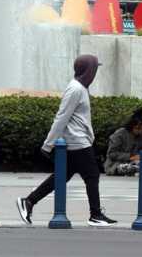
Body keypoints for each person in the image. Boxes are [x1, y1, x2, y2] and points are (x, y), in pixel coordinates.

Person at [17, 54, 117, 227]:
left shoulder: (81, 88)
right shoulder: (76, 89)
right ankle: (95, 215)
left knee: (61, 177)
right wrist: (48, 144)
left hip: (79, 140)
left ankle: (29, 201)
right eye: (94, 69)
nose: (95, 74)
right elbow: (62, 117)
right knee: (92, 176)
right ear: (88, 71)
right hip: (77, 142)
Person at [104, 108, 142, 176]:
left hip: (133, 163)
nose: (140, 131)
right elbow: (111, 154)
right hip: (115, 165)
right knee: (130, 168)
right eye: (138, 129)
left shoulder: (140, 137)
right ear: (132, 126)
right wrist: (130, 156)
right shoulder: (120, 134)